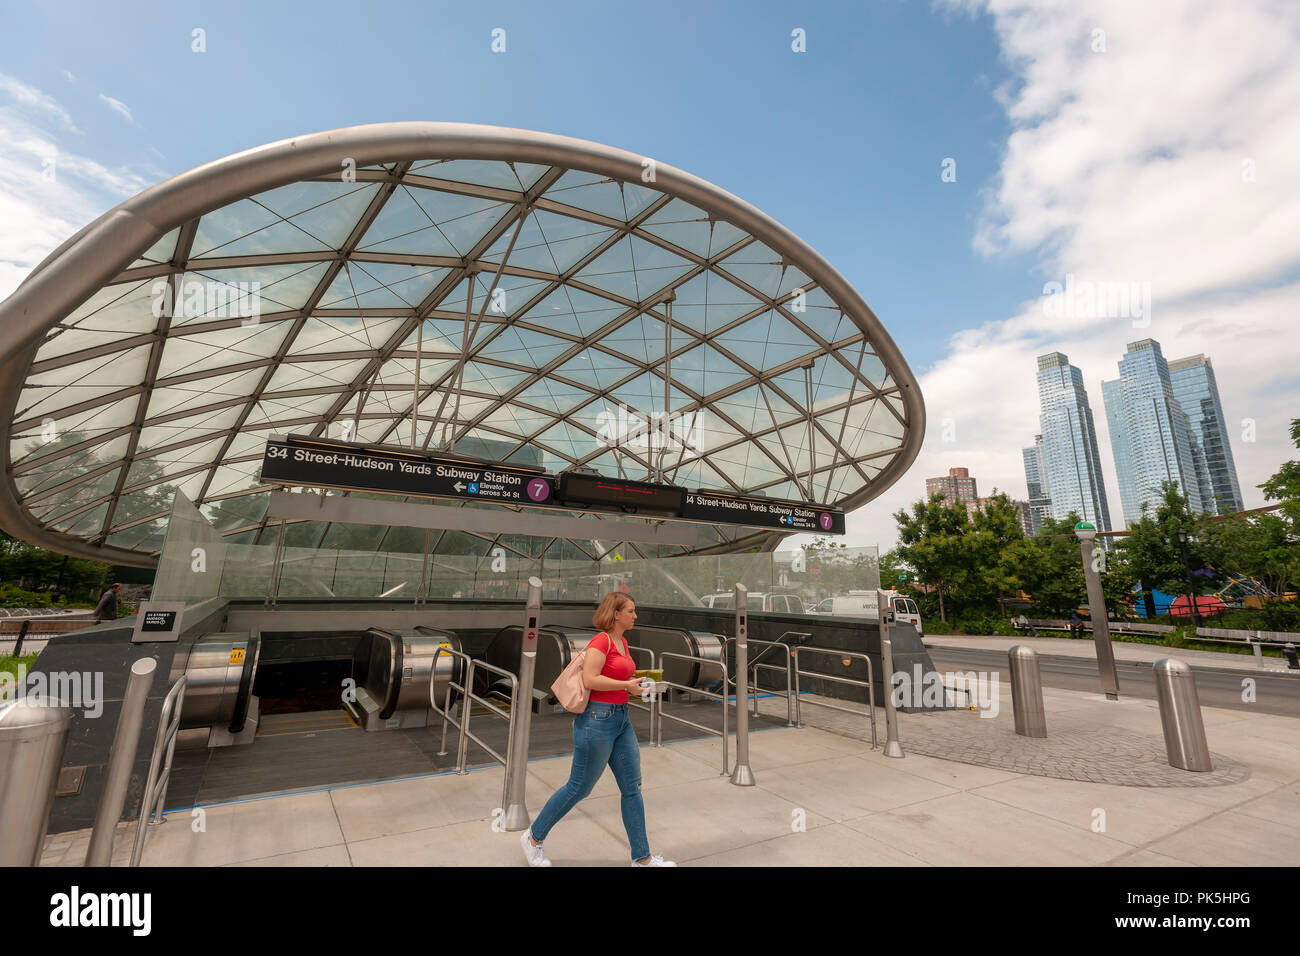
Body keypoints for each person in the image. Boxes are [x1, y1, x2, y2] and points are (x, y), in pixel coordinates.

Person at [521, 592, 675, 867]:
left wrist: (635, 682)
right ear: (616, 614)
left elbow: (617, 676)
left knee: (632, 788)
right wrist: (626, 685)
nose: (635, 615)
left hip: (620, 720)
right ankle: (533, 838)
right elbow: (590, 678)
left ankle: (642, 859)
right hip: (596, 721)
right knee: (578, 787)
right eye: (630, 611)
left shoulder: (622, 641)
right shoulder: (600, 641)